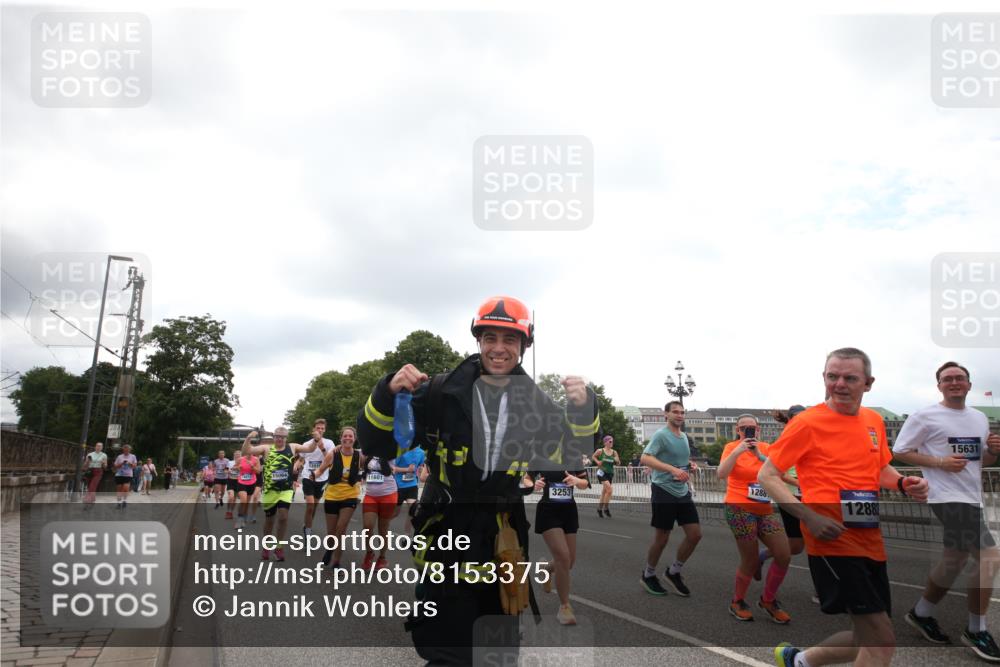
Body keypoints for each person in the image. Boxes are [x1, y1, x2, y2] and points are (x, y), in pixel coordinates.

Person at [357, 296, 598, 666]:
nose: (499, 348)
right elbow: (378, 444)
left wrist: (584, 410)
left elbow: (572, 456)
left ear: (524, 346)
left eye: (510, 339)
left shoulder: (538, 405)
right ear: (478, 341)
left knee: (496, 655)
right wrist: (386, 393)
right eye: (490, 337)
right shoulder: (438, 392)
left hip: (502, 539)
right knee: (445, 651)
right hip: (446, 534)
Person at [759, 347, 929, 667]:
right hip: (832, 540)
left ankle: (798, 661)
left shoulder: (873, 420)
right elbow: (767, 475)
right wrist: (809, 516)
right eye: (832, 376)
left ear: (868, 383)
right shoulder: (807, 423)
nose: (839, 384)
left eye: (850, 378)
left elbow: (879, 468)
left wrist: (904, 483)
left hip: (869, 539)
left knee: (866, 637)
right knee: (881, 640)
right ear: (823, 378)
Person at [892, 361, 1000, 662]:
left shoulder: (979, 418)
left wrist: (993, 450)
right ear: (939, 385)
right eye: (947, 379)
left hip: (972, 496)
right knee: (990, 557)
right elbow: (899, 450)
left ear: (968, 383)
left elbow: (982, 463)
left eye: (960, 378)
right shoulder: (925, 415)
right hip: (946, 496)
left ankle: (922, 613)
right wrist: (940, 463)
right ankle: (976, 629)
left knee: (955, 559)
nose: (954, 382)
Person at [717, 414, 791, 623]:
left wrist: (758, 455)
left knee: (783, 553)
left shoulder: (766, 448)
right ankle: (737, 601)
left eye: (752, 428)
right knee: (749, 559)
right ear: (737, 430)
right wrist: (739, 450)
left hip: (764, 509)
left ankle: (768, 600)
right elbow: (721, 474)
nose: (748, 431)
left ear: (758, 430)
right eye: (743, 428)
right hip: (739, 506)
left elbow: (778, 472)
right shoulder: (731, 447)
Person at [639, 401, 702, 597]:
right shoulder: (661, 435)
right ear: (666, 415)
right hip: (663, 490)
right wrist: (672, 469)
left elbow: (679, 462)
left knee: (695, 535)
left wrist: (687, 466)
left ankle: (673, 571)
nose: (680, 415)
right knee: (662, 538)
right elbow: (645, 458)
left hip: (681, 491)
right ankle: (648, 574)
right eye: (675, 412)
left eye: (682, 412)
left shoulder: (683, 436)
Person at [756, 406, 816, 603]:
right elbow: (776, 472)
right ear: (790, 420)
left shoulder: (812, 437)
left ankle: (762, 557)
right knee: (800, 544)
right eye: (797, 418)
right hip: (791, 498)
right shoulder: (786, 439)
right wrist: (800, 483)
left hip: (812, 496)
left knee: (806, 545)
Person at [522, 454, 590, 625]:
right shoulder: (538, 457)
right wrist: (533, 485)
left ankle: (545, 568)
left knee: (569, 561)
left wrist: (576, 480)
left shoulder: (573, 457)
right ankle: (565, 607)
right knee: (563, 557)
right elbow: (527, 478)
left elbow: (585, 483)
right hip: (548, 511)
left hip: (569, 512)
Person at [240, 426, 321, 561]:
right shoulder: (266, 448)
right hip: (270, 491)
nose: (280, 439)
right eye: (277, 436)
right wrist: (248, 438)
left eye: (282, 437)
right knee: (269, 521)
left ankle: (279, 547)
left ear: (286, 438)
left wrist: (316, 440)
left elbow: (310, 449)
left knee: (283, 517)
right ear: (274, 437)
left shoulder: (293, 447)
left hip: (286, 490)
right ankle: (266, 546)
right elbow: (246, 451)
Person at [315, 426, 364, 569]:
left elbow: (366, 469)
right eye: (345, 436)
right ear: (341, 438)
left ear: (354, 439)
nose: (348, 438)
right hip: (332, 495)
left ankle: (336, 562)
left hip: (350, 495)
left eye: (350, 436)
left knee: (341, 529)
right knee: (332, 533)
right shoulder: (333, 454)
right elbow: (321, 469)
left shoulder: (359, 456)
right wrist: (314, 475)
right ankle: (330, 549)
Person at [360, 454, 400, 569]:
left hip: (388, 494)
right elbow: (356, 454)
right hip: (370, 495)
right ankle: (369, 553)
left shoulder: (390, 450)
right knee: (367, 527)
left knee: (383, 530)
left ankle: (382, 558)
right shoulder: (368, 450)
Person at [299, 418, 334, 538]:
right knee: (310, 505)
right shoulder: (306, 444)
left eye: (322, 428)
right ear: (314, 429)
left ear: (325, 430)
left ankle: (307, 525)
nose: (320, 430)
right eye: (318, 428)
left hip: (322, 478)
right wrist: (295, 467)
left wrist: (322, 447)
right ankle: (308, 532)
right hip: (308, 477)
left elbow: (330, 462)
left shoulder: (329, 443)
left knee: (314, 507)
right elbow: (301, 459)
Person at [393, 443, 426, 535]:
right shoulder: (401, 450)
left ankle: (406, 535)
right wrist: (407, 469)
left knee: (413, 510)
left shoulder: (421, 452)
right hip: (398, 485)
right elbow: (393, 468)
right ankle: (382, 522)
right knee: (395, 513)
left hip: (412, 485)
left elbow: (420, 467)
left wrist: (420, 472)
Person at [592, 435, 620, 518]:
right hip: (601, 472)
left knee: (604, 492)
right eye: (610, 441)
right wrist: (598, 462)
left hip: (610, 473)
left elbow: (618, 462)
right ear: (605, 442)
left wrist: (617, 461)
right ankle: (606, 508)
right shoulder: (600, 451)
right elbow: (593, 456)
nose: (612, 443)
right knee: (610, 490)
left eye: (612, 441)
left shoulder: (614, 452)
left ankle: (599, 509)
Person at [232, 451, 260, 530]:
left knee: (246, 503)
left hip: (251, 483)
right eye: (247, 451)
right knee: (243, 500)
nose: (249, 452)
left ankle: (243, 517)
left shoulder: (256, 459)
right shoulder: (241, 459)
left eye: (251, 450)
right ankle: (239, 519)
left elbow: (258, 471)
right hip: (241, 482)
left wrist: (252, 466)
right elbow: (233, 467)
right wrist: (238, 467)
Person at [113, 444, 138, 510]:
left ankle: (124, 501)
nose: (126, 450)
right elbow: (115, 466)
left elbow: (134, 466)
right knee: (119, 489)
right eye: (125, 449)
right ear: (123, 449)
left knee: (125, 488)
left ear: (130, 450)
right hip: (119, 474)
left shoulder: (133, 456)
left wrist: (130, 463)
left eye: (128, 449)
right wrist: (121, 464)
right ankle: (118, 503)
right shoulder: (119, 456)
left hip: (128, 474)